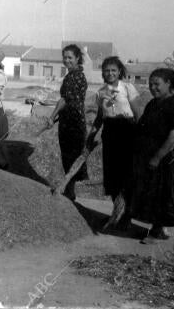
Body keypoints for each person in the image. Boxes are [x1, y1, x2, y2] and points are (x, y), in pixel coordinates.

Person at [131, 68, 174, 243]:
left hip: (169, 157)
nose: (153, 88)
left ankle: (156, 232)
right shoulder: (153, 104)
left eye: (157, 84)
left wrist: (157, 157)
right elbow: (143, 126)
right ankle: (159, 229)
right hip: (153, 154)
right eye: (150, 84)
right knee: (154, 193)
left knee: (164, 194)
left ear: (168, 84)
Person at [87, 56, 140, 229]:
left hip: (128, 133)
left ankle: (127, 218)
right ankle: (117, 212)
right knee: (112, 175)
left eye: (113, 70)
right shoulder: (100, 92)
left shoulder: (127, 88)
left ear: (119, 72)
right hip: (110, 134)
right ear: (102, 72)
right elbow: (99, 118)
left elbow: (137, 113)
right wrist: (91, 135)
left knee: (127, 175)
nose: (110, 73)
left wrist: (142, 134)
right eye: (107, 70)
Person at [47, 44, 89, 201]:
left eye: (70, 57)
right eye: (64, 57)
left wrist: (52, 117)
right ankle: (70, 190)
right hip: (69, 119)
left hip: (73, 121)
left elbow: (64, 100)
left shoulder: (75, 76)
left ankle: (69, 191)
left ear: (78, 58)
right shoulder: (72, 75)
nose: (66, 60)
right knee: (68, 155)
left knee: (71, 155)